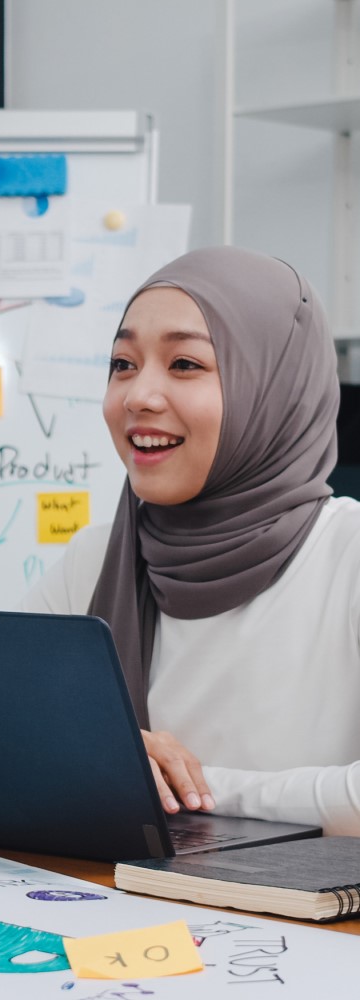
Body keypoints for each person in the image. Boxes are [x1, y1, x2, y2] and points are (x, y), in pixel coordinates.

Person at [22, 244, 360, 836]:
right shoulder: (93, 560)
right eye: (123, 364)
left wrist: (158, 778)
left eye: (185, 365)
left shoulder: (348, 555)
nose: (137, 396)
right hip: (123, 918)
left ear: (275, 390)